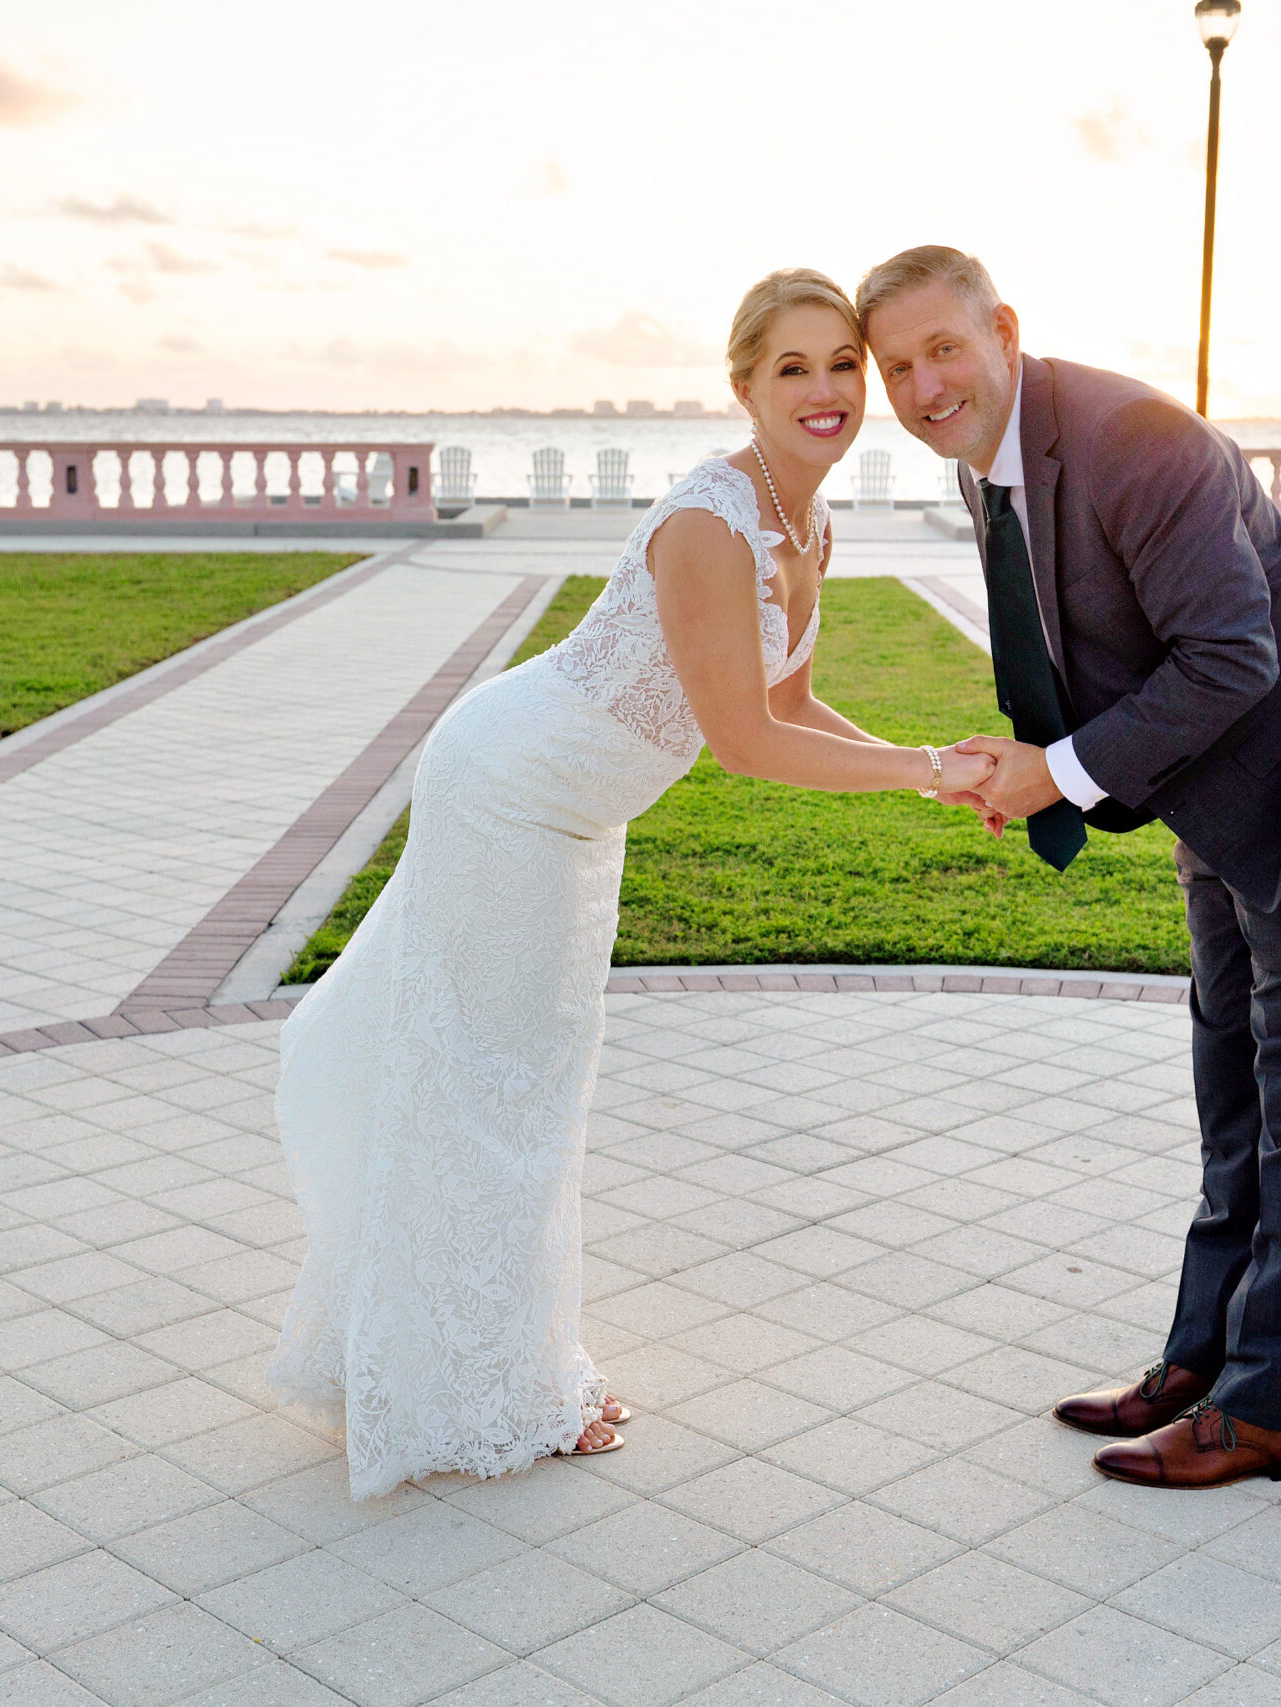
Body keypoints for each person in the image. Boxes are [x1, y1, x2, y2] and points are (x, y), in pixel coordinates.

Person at [268, 268, 999, 1500]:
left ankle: (465, 1363)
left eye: (842, 368)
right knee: (494, 1089)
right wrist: (931, 768)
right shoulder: (713, 523)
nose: (825, 392)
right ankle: (486, 1392)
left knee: (529, 1081)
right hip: (508, 791)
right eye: (792, 369)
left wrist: (931, 771)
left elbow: (791, 701)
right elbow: (747, 742)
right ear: (742, 386)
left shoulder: (804, 521)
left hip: (572, 812)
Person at [860, 246, 1281, 1490]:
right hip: (1214, 788)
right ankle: (1205, 1360)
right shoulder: (992, 460)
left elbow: (1233, 658)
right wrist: (1028, 757)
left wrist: (1060, 775)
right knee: (1231, 1078)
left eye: (941, 348)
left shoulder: (1133, 437)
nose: (920, 384)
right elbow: (1085, 639)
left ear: (1002, 330)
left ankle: (1272, 1408)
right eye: (896, 365)